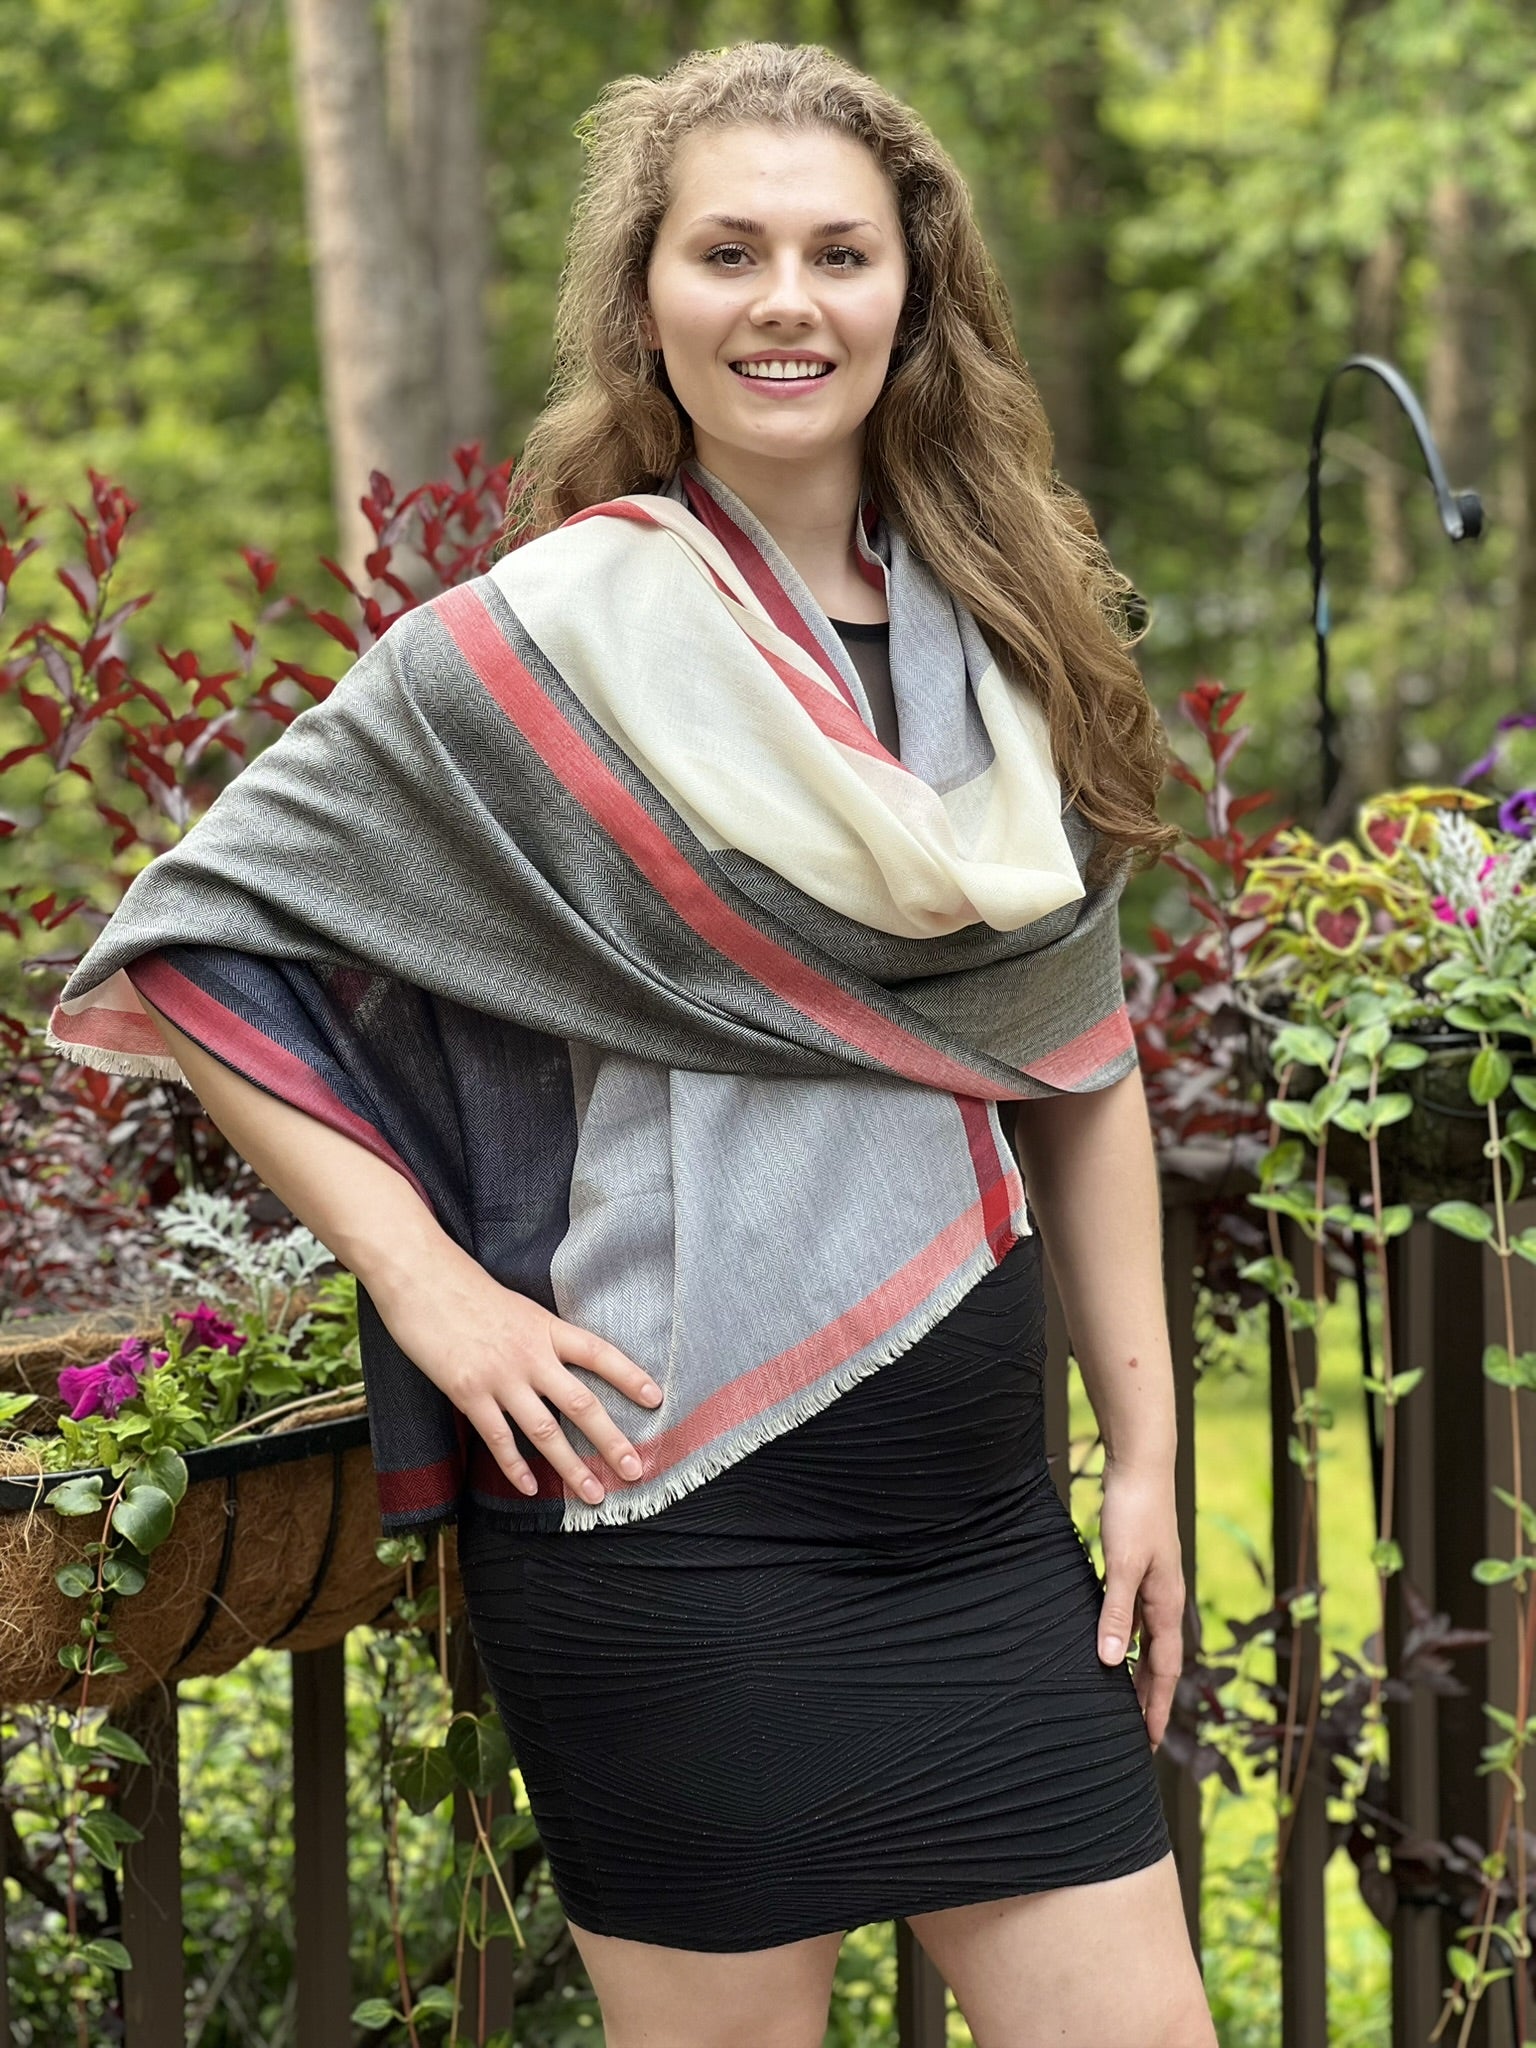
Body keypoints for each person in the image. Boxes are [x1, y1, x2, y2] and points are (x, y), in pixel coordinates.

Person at [49, 38, 1218, 2048]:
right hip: (667, 1526)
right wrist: (435, 1290)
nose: (787, 301)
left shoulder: (1000, 643)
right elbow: (195, 941)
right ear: (649, 300)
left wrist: (1149, 1458)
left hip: (973, 1532)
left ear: (912, 294)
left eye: (840, 254)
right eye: (731, 251)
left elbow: (1079, 1059)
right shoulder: (540, 641)